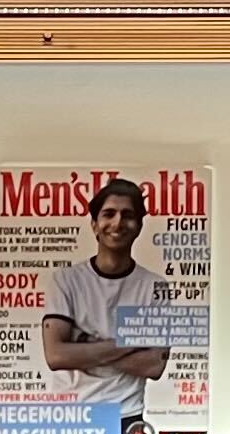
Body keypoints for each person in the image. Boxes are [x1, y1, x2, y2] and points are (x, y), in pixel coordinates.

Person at [38, 170, 177, 413]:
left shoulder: (156, 287)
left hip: (126, 414)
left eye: (128, 215)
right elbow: (56, 356)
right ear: (94, 225)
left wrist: (85, 342)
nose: (118, 223)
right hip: (68, 417)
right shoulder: (66, 280)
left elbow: (154, 366)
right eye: (108, 214)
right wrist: (131, 343)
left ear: (139, 226)